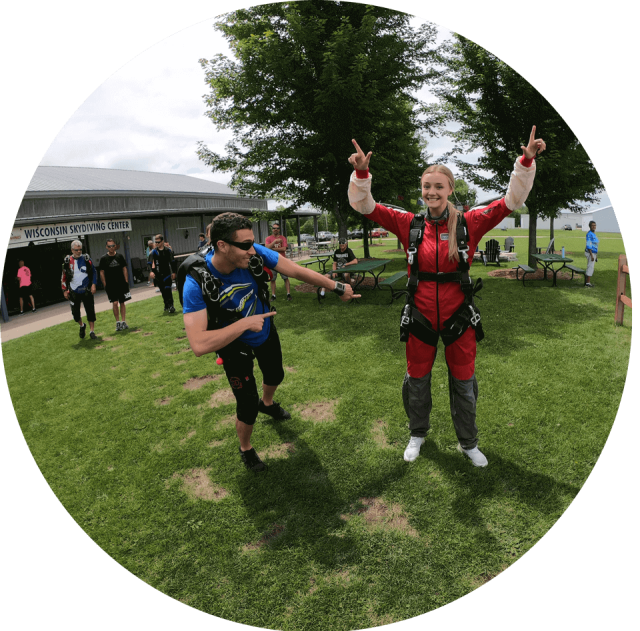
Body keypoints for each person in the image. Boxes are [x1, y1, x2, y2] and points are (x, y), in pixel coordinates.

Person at [348, 126, 546, 467]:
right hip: (421, 318)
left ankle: (468, 443)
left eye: (438, 186)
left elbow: (511, 201)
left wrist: (525, 162)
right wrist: (361, 173)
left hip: (459, 319)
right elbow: (364, 205)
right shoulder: (408, 223)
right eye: (427, 187)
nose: (431, 192)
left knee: (465, 384)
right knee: (417, 382)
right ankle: (417, 434)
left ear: (450, 189)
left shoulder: (469, 222)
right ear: (421, 191)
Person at [182, 212, 360, 472]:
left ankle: (267, 404)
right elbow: (198, 344)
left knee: (276, 374)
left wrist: (336, 287)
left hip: (264, 330)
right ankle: (246, 448)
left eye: (252, 242)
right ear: (222, 245)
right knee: (246, 405)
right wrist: (243, 323)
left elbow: (296, 270)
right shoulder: (196, 282)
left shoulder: (253, 254)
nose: (252, 249)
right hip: (232, 344)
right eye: (244, 244)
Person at [61, 240, 98, 340]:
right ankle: (82, 325)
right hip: (73, 291)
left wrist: (93, 284)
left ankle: (92, 331)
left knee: (90, 311)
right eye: (76, 250)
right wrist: (64, 290)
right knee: (75, 313)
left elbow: (94, 272)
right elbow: (64, 276)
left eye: (80, 249)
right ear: (72, 250)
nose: (79, 252)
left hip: (86, 290)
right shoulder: (67, 261)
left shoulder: (86, 259)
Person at [99, 239, 132, 331]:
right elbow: (101, 272)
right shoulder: (103, 258)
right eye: (109, 246)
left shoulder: (119, 256)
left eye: (113, 246)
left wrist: (126, 280)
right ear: (106, 247)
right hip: (111, 285)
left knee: (122, 302)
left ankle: (123, 322)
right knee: (114, 302)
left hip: (121, 283)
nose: (111, 248)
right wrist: (105, 283)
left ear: (115, 246)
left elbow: (124, 268)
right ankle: (118, 323)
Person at [264, 223, 291, 301]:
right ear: (272, 229)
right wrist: (275, 241)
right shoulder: (268, 238)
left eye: (277, 228)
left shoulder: (283, 238)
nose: (276, 229)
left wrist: (272, 249)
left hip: (282, 261)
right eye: (274, 228)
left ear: (279, 230)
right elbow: (267, 247)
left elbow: (284, 249)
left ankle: (288, 294)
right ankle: (273, 295)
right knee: (272, 279)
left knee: (285, 278)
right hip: (272, 261)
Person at [149, 235, 176, 313]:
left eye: (158, 242)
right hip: (158, 274)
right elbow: (149, 262)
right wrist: (151, 271)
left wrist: (173, 272)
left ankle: (171, 305)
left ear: (162, 241)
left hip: (167, 273)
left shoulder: (168, 251)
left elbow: (172, 262)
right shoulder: (154, 252)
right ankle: (166, 304)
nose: (157, 243)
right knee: (163, 291)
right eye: (156, 242)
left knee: (168, 289)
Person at [585, 221, 598, 287]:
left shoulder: (594, 234)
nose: (594, 226)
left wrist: (596, 256)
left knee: (590, 266)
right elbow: (589, 245)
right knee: (590, 267)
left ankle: (587, 281)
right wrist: (592, 255)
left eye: (595, 225)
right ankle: (588, 283)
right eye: (592, 225)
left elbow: (595, 245)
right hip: (590, 253)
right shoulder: (589, 234)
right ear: (590, 226)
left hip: (594, 253)